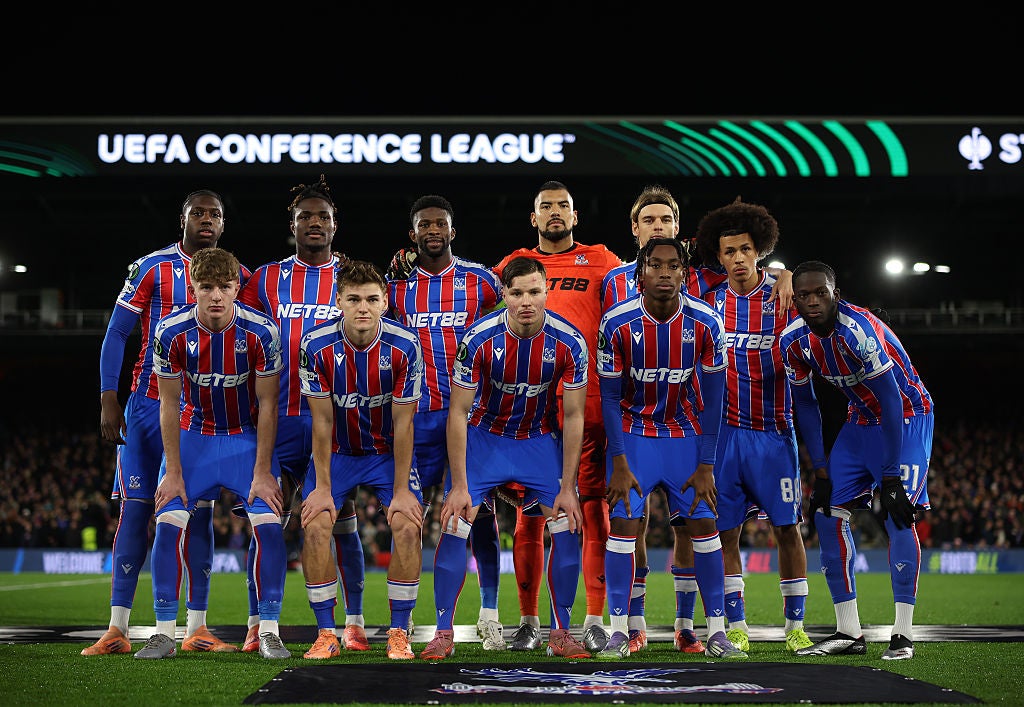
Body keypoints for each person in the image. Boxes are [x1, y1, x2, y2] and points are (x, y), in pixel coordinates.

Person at [87, 189, 243, 656]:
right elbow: (117, 331)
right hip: (146, 407)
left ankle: (197, 628)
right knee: (135, 511)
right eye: (198, 213)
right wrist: (108, 396)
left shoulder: (235, 274)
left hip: (200, 414)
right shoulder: (152, 267)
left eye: (215, 214)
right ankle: (116, 628)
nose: (207, 220)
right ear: (183, 219)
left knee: (198, 514)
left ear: (223, 223)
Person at [419, 256, 591, 661]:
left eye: (534, 291)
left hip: (537, 440)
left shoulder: (571, 342)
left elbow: (574, 416)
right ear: (504, 295)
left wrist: (569, 486)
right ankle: (443, 634)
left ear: (546, 291)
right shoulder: (478, 339)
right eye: (516, 293)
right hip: (485, 438)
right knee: (455, 522)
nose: (526, 301)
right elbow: (458, 412)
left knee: (567, 523)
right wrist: (459, 484)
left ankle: (561, 633)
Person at [135, 246, 289, 660]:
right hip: (194, 438)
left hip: (245, 439)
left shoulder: (262, 332)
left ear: (237, 287)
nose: (216, 295)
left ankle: (269, 630)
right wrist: (173, 471)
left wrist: (262, 471)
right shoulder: (170, 332)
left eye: (224, 286)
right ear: (193, 289)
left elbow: (269, 405)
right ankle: (164, 632)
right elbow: (168, 404)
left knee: (269, 526)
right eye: (206, 287)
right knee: (168, 523)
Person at [597, 236, 746, 660]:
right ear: (640, 274)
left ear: (684, 272)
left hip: (685, 435)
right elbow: (609, 398)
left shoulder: (707, 322)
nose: (665, 272)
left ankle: (716, 632)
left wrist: (707, 465)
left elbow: (715, 401)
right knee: (623, 526)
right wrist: (619, 461)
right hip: (634, 434)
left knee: (704, 526)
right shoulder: (616, 322)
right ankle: (619, 633)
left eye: (673, 265)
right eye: (656, 265)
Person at [238, 175, 368, 656]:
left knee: (341, 521)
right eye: (305, 217)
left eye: (323, 216)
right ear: (291, 225)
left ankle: (354, 624)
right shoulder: (265, 279)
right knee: (265, 520)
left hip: (333, 424)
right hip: (275, 420)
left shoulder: (354, 278)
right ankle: (258, 623)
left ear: (336, 224)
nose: (315, 223)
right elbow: (240, 336)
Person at [781, 260, 933, 660]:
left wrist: (891, 477)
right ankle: (848, 632)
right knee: (826, 514)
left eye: (821, 293)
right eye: (804, 295)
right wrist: (820, 469)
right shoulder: (792, 341)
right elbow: (806, 405)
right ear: (795, 300)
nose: (813, 301)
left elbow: (891, 399)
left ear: (835, 294)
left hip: (906, 416)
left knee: (898, 514)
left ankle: (903, 635)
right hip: (860, 419)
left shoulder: (857, 331)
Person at [493, 180, 621, 652]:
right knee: (530, 517)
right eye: (545, 206)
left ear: (574, 215)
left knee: (594, 512)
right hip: (532, 414)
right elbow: (472, 298)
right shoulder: (513, 264)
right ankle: (529, 622)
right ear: (533, 217)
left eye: (562, 206)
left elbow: (648, 286)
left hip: (589, 408)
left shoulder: (602, 260)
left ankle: (594, 619)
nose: (554, 212)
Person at [693, 197, 813, 653]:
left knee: (787, 529)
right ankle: (736, 624)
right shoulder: (709, 303)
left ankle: (795, 627)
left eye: (745, 249)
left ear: (759, 248)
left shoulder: (784, 298)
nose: (739, 258)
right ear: (719, 256)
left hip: (774, 433)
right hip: (724, 437)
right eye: (729, 252)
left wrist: (788, 274)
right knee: (725, 532)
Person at [386, 195, 505, 649]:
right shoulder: (396, 289)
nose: (432, 230)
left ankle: (490, 615)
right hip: (414, 423)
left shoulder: (482, 281)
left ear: (452, 231)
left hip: (467, 422)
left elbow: (511, 320)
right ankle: (407, 625)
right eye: (424, 224)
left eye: (440, 223)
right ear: (412, 234)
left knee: (478, 516)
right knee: (408, 520)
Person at [298, 260, 425, 661]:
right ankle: (326, 633)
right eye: (353, 299)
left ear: (385, 302)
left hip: (386, 455)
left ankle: (399, 632)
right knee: (315, 524)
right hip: (336, 453)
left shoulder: (405, 345)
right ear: (339, 301)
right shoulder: (315, 345)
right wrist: (321, 487)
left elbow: (404, 423)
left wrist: (402, 490)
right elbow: (321, 421)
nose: (363, 308)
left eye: (371, 299)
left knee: (408, 526)